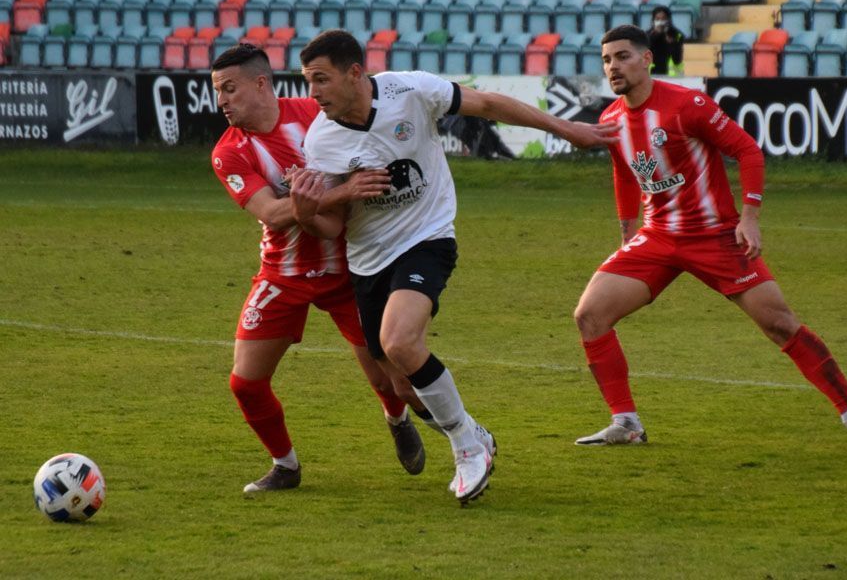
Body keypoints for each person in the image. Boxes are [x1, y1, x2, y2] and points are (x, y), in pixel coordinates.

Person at [286, 29, 620, 504]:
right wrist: (304, 212)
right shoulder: (322, 141)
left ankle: (465, 447)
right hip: (368, 259)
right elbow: (333, 227)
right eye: (307, 81)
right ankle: (471, 434)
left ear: (355, 73)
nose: (313, 92)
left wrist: (571, 130)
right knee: (400, 384)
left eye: (320, 79)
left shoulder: (412, 90)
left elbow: (487, 105)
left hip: (428, 237)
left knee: (399, 340)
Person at [572, 25, 847, 453]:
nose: (613, 66)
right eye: (607, 59)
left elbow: (748, 151)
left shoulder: (688, 105)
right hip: (659, 238)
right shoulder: (611, 119)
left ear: (647, 59)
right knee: (589, 316)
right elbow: (625, 172)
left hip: (716, 237)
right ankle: (625, 422)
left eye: (623, 56)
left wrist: (750, 217)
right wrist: (627, 231)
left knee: (780, 324)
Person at [209, 44, 439, 494]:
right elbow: (274, 214)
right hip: (283, 274)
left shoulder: (316, 115)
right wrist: (342, 193)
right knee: (245, 382)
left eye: (229, 89)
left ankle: (401, 420)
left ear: (261, 84)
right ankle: (285, 466)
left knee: (392, 380)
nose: (222, 100)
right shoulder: (229, 153)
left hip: (349, 269)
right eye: (217, 91)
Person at [647, 6, 684, 77]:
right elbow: (645, 51)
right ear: (653, 21)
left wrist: (672, 44)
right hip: (651, 76)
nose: (660, 22)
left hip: (672, 77)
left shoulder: (677, 35)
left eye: (663, 19)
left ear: (668, 20)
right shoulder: (647, 35)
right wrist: (655, 35)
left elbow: (678, 60)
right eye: (657, 19)